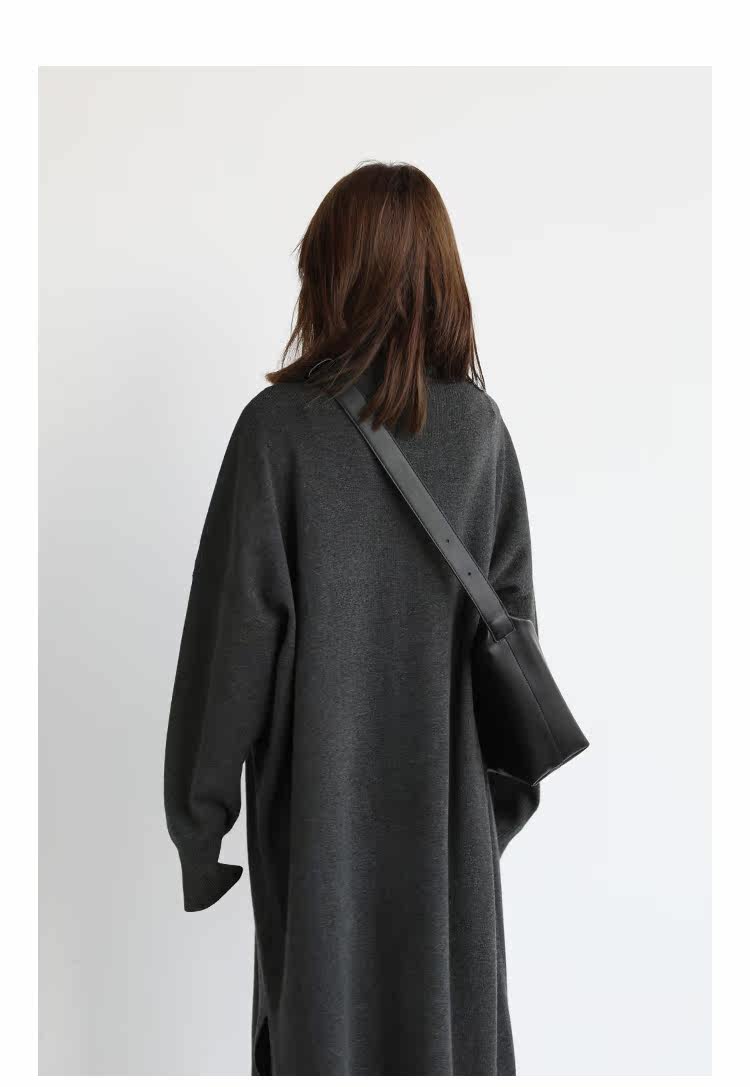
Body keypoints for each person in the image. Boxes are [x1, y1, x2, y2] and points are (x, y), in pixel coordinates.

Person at [164, 161, 541, 1075]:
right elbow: (516, 652)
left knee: (323, 1036)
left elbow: (231, 648)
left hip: (319, 837)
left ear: (330, 274)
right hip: (447, 844)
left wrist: (200, 828)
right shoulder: (483, 433)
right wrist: (478, 819)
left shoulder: (276, 433)